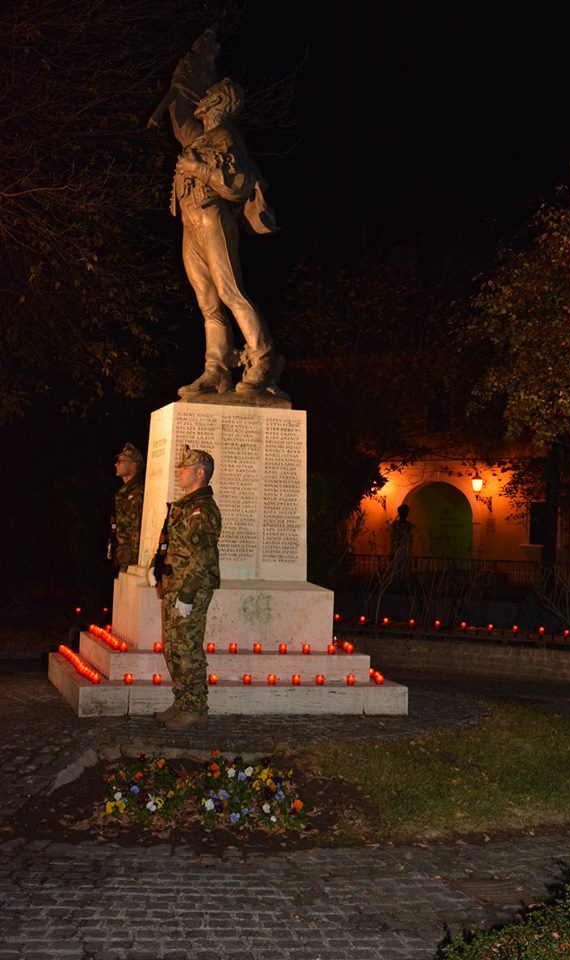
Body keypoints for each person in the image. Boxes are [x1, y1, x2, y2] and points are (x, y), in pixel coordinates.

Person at [170, 76, 287, 400]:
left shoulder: (226, 136)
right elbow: (180, 118)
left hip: (212, 217)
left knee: (230, 291)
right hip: (190, 223)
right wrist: (181, 80)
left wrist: (199, 170)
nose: (202, 97)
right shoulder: (200, 138)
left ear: (219, 102)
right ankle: (217, 369)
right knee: (207, 302)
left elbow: (238, 185)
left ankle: (264, 357)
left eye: (209, 94)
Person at [152, 445, 222, 731]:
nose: (179, 471)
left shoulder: (203, 510)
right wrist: (158, 570)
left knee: (187, 648)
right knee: (173, 648)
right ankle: (182, 701)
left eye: (185, 468)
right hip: (175, 587)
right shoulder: (185, 506)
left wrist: (188, 594)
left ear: (200, 473)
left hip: (190, 590)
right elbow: (173, 545)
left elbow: (202, 556)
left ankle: (195, 709)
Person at [111, 442, 145, 575]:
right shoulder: (124, 492)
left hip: (130, 560)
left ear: (133, 464)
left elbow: (136, 529)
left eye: (121, 461)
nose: (116, 464)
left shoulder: (137, 493)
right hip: (123, 557)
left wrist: (134, 562)